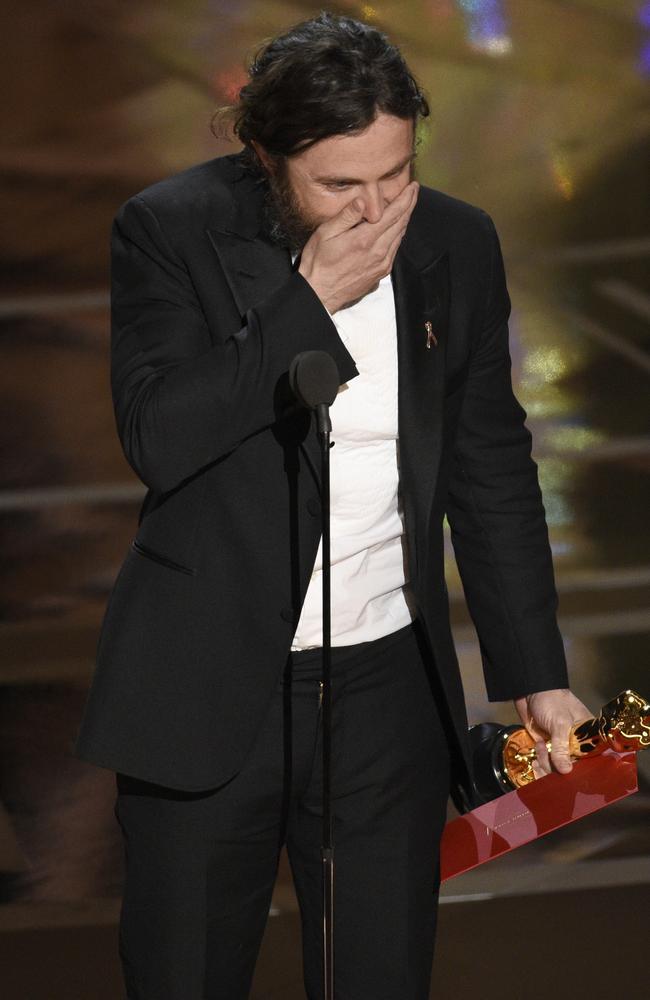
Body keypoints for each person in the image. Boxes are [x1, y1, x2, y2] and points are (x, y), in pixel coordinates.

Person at [73, 12, 591, 1000]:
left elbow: (488, 459)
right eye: (338, 186)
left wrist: (535, 672)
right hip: (204, 684)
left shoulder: (454, 241)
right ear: (267, 158)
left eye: (393, 176)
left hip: (382, 695)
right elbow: (159, 437)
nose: (374, 211)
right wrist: (300, 304)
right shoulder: (168, 228)